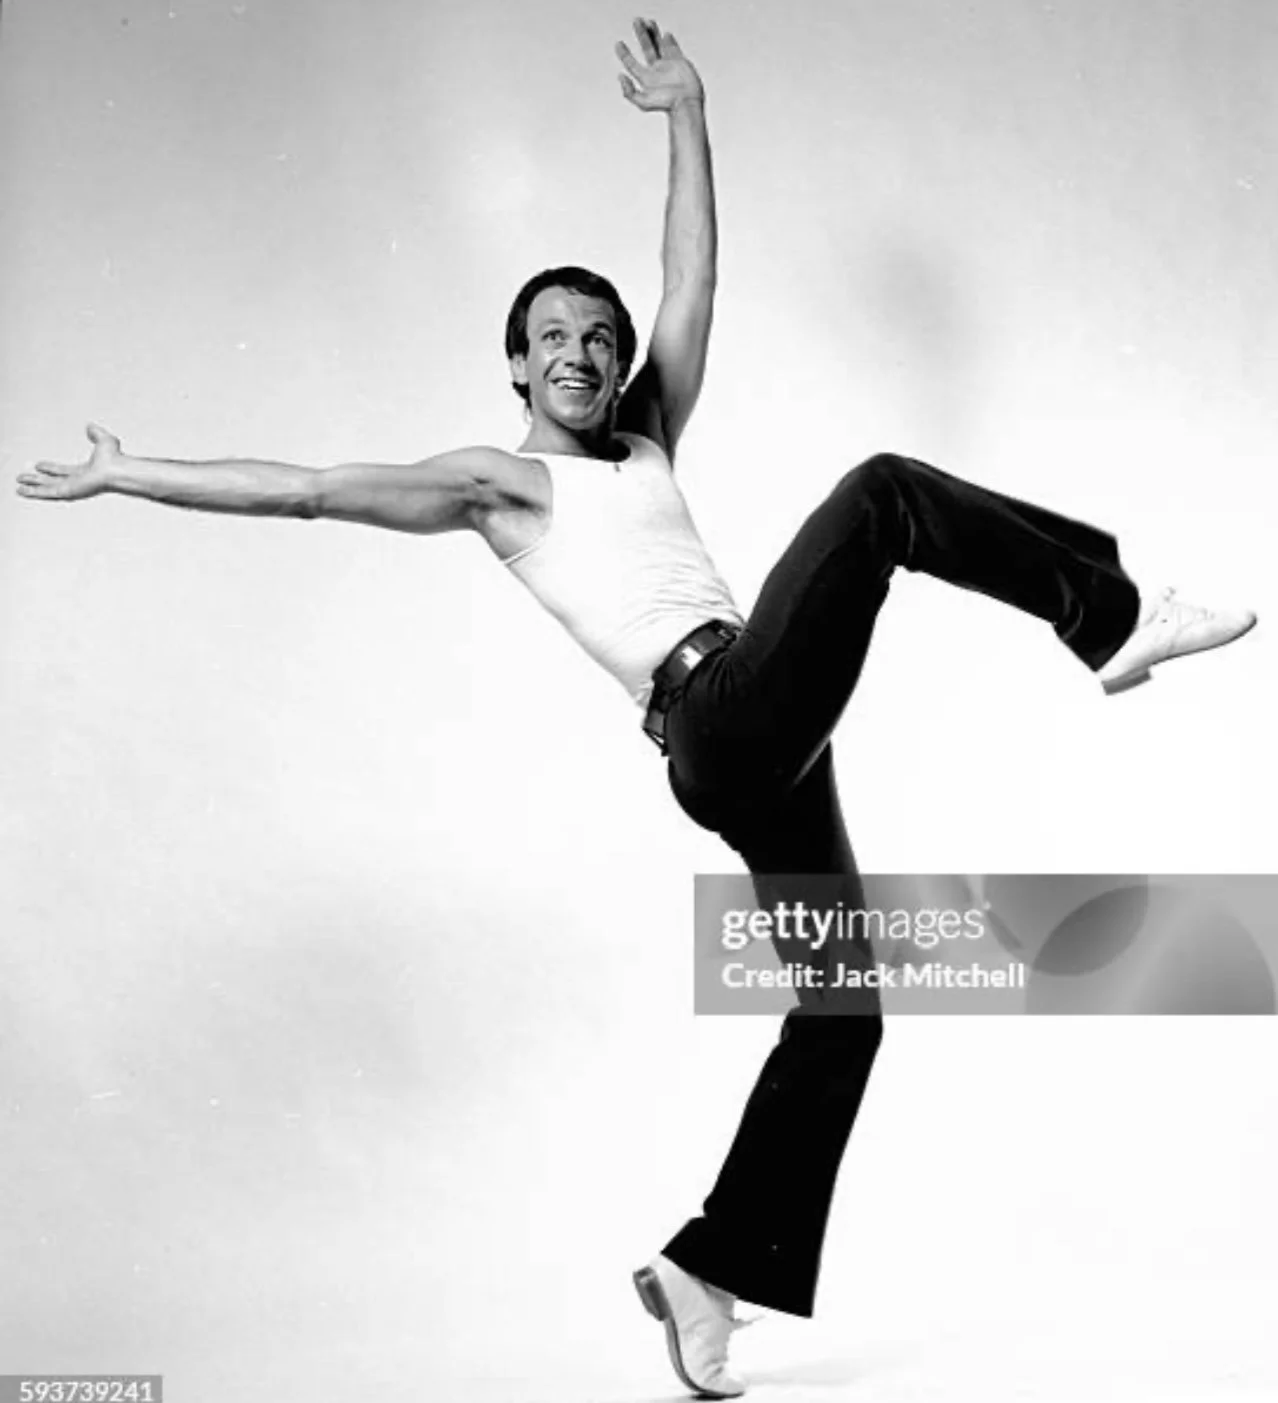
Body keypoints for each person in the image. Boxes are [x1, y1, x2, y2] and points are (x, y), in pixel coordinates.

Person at [16, 17, 1257, 1399]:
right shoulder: (502, 486)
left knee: (844, 1007)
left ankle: (708, 1272)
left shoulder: (649, 438)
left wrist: (687, 114)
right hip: (717, 713)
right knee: (883, 495)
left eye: (598, 338)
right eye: (552, 337)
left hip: (768, 738)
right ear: (515, 366)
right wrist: (130, 474)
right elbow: (310, 490)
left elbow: (691, 276)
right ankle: (1111, 619)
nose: (582, 351)